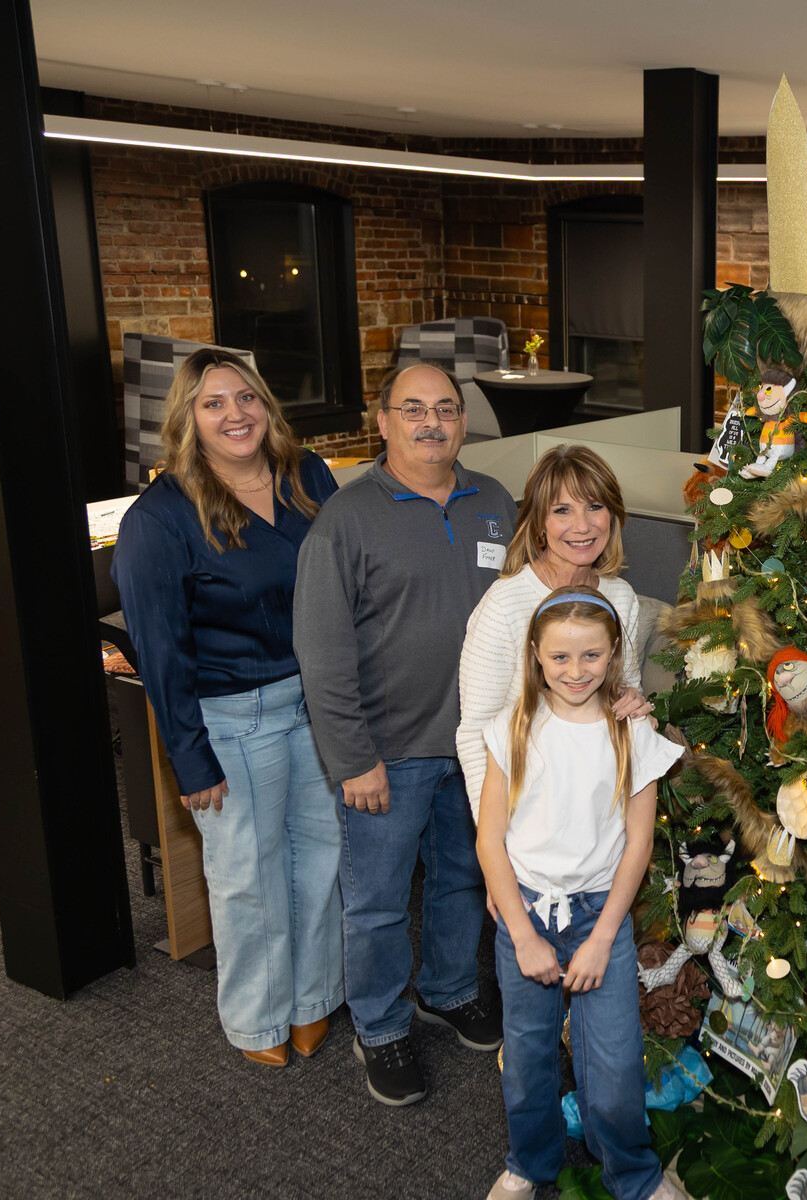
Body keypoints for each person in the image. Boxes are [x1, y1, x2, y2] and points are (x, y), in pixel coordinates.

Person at [293, 361, 518, 1107]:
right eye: (413, 409)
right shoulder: (347, 519)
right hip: (386, 753)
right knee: (378, 902)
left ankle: (448, 990)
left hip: (477, 748)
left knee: (463, 878)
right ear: (383, 421)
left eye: (445, 408)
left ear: (463, 421)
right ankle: (381, 1026)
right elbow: (321, 651)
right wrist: (351, 758)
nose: (432, 423)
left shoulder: (494, 501)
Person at [113, 348, 342, 1068]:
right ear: (188, 417)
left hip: (318, 704)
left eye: (246, 397)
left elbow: (345, 586)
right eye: (213, 403)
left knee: (322, 857)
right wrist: (188, 755)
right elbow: (159, 649)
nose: (236, 414)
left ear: (266, 405)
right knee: (248, 876)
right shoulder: (160, 518)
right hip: (233, 719)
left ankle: (313, 996)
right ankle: (257, 1016)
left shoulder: (308, 476)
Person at [475, 585, 686, 1200]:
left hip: (602, 917)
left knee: (615, 1061)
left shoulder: (631, 732)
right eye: (560, 657)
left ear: (614, 651)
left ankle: (634, 1174)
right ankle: (528, 1163)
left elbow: (639, 844)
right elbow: (490, 840)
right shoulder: (511, 729)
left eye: (591, 655)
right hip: (526, 914)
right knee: (527, 1057)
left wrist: (601, 939)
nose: (576, 671)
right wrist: (521, 934)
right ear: (536, 655)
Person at [456, 444, 649, 807]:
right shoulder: (505, 603)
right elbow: (476, 734)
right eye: (562, 510)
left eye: (595, 506)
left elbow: (624, 694)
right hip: (526, 808)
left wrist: (634, 705)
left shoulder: (621, 597)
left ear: (613, 516)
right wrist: (496, 829)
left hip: (598, 805)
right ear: (539, 523)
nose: (582, 526)